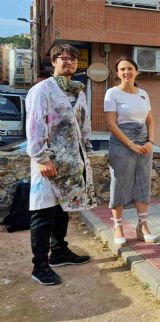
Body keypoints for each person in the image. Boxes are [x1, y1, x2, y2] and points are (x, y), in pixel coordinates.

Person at [26, 44, 96, 286]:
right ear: (53, 62)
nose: (69, 62)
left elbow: (83, 124)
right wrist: (41, 157)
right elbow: (35, 125)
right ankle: (40, 266)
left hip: (72, 162)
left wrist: (86, 152)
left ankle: (59, 252)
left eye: (73, 59)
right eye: (63, 58)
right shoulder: (42, 90)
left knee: (63, 208)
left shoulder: (79, 90)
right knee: (43, 212)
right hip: (49, 161)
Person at [105, 57, 157, 246]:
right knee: (119, 182)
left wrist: (151, 141)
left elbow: (150, 120)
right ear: (117, 73)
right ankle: (117, 226)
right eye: (122, 69)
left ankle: (142, 226)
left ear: (136, 71)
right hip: (122, 141)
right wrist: (130, 144)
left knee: (143, 181)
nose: (126, 72)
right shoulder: (112, 93)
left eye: (129, 68)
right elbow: (111, 124)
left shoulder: (143, 93)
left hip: (144, 141)